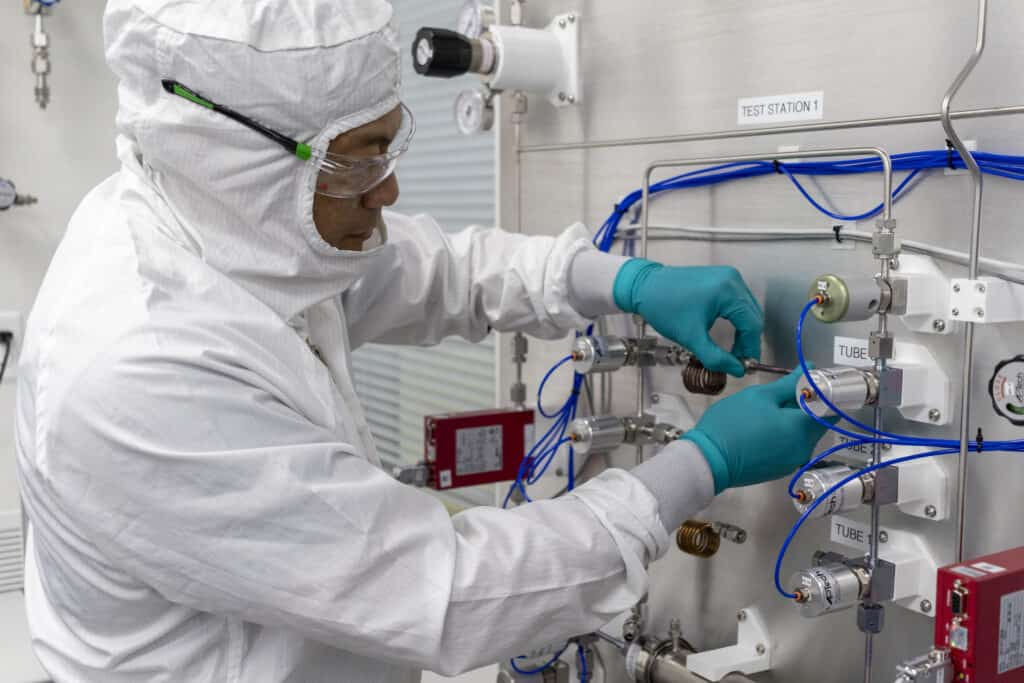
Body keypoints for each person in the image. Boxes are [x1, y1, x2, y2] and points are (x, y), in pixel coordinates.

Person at [14, 1, 830, 681]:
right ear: (243, 164)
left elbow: (430, 268)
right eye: (359, 161)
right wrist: (700, 465)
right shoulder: (140, 366)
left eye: (389, 142)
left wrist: (610, 281)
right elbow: (446, 589)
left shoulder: (227, 222)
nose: (390, 189)